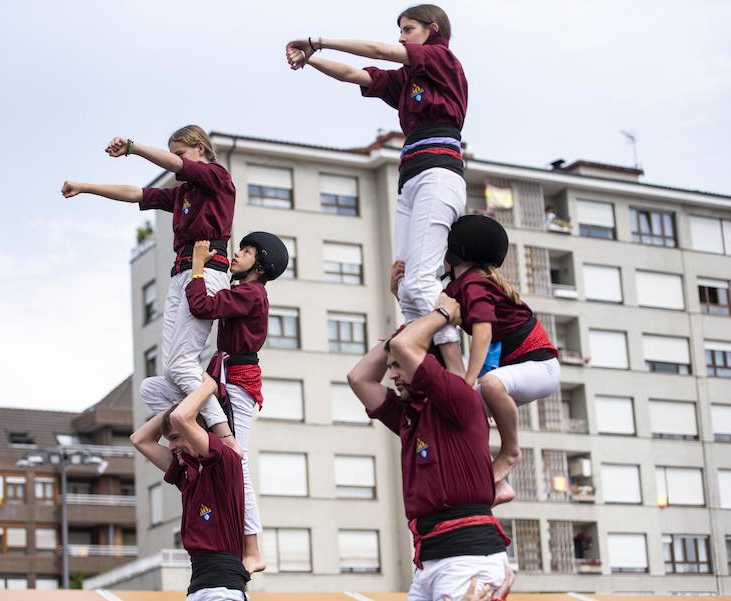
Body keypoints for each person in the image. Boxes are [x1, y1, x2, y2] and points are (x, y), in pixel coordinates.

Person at [285, 4, 469, 376]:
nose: (401, 37)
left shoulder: (440, 59)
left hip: (438, 174)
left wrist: (317, 41)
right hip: (411, 179)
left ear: (432, 31)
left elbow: (380, 51)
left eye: (408, 29)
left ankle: (459, 371)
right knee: (402, 284)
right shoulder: (408, 79)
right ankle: (430, 367)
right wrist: (311, 60)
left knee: (421, 281)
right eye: (400, 31)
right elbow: (355, 73)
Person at [61, 125, 237, 446]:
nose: (175, 160)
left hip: (207, 268)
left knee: (182, 363)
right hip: (180, 273)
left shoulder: (217, 177)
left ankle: (224, 435)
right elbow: (136, 194)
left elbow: (178, 166)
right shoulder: (184, 193)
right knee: (166, 376)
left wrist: (133, 147)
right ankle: (193, 432)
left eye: (180, 152)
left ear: (200, 148)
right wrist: (85, 187)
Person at [347, 308, 510, 600]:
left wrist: (444, 312)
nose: (392, 374)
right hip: (429, 562)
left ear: (426, 363)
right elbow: (359, 379)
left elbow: (406, 346)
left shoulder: (459, 399)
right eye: (390, 366)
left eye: (397, 366)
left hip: (467, 558)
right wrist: (394, 339)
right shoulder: (409, 417)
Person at [185, 233, 289, 574]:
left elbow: (204, 306)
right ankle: (238, 537)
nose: (238, 255)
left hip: (238, 380)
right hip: (229, 375)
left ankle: (253, 547)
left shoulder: (251, 293)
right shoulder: (248, 292)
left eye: (245, 252)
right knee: (226, 457)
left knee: (236, 460)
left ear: (259, 266)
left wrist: (197, 269)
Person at [440, 215, 560, 504]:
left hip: (541, 367)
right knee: (464, 411)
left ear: (455, 252)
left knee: (492, 385)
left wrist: (468, 380)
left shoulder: (473, 285)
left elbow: (483, 333)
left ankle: (510, 451)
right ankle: (501, 483)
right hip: (521, 369)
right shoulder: (463, 285)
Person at [130, 373, 249, 601]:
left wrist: (206, 388)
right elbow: (140, 440)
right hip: (199, 589)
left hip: (221, 589)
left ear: (199, 433)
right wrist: (177, 406)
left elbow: (182, 418)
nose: (171, 446)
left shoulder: (225, 463)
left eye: (175, 437)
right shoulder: (188, 477)